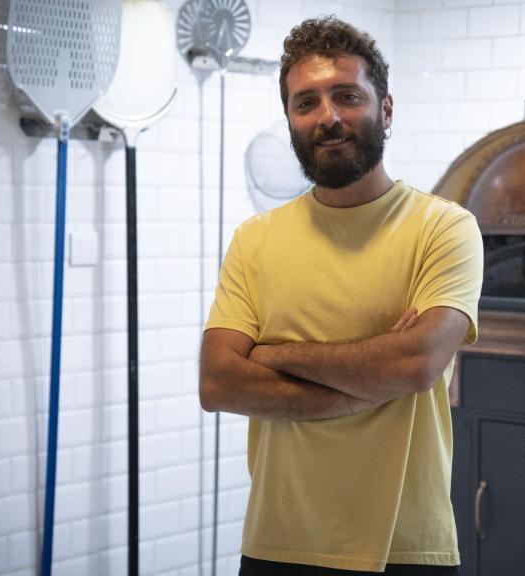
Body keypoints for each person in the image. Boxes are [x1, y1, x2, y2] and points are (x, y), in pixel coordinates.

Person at [199, 16, 483, 576]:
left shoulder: (443, 228)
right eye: (306, 103)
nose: (327, 117)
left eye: (347, 96)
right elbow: (218, 382)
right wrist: (364, 386)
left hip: (405, 547)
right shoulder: (255, 240)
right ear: (290, 120)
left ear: (386, 108)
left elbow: (416, 362)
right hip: (278, 541)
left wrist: (273, 355)